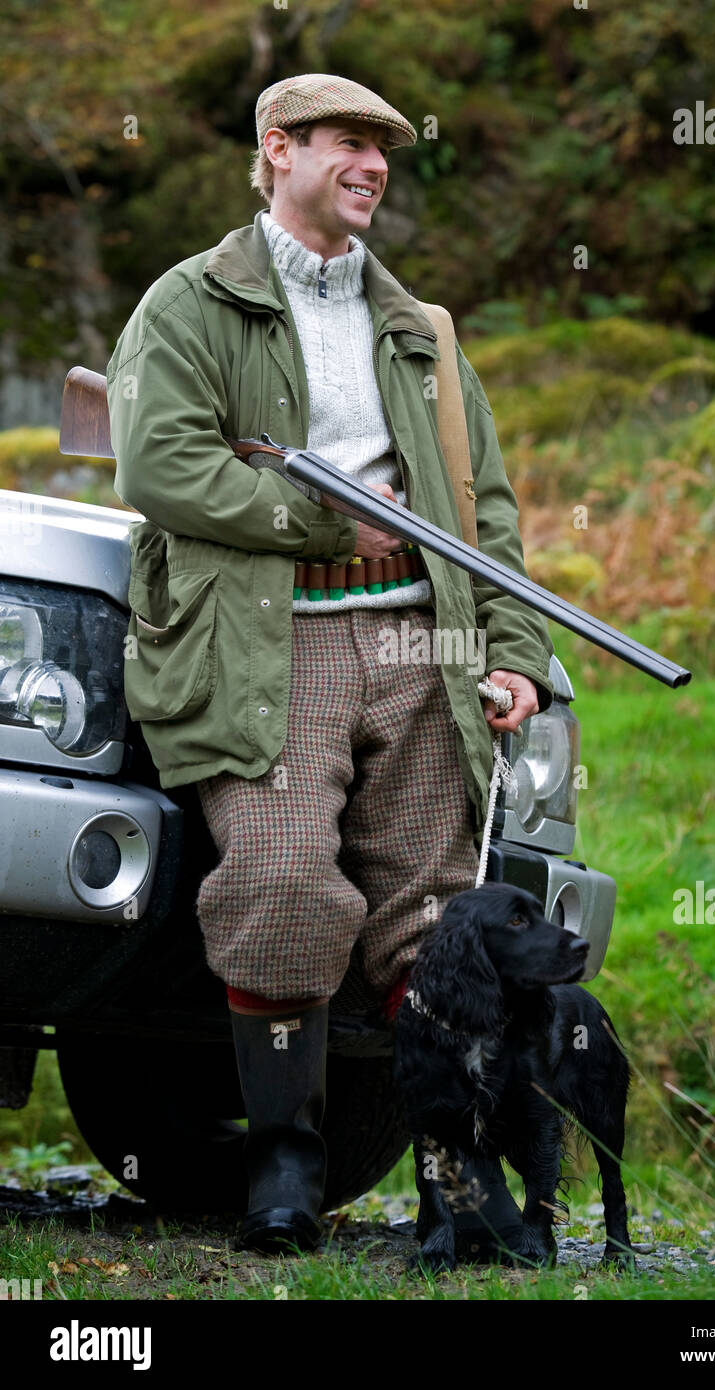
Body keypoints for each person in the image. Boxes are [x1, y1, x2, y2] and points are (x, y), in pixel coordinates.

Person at [107, 73, 555, 1255]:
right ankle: (284, 1168)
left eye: (384, 151)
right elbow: (158, 468)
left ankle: (457, 1185)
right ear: (277, 149)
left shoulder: (421, 331)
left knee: (438, 925)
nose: (372, 167)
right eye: (348, 143)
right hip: (269, 643)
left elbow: (481, 512)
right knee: (280, 884)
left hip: (424, 640)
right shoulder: (188, 304)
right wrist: (323, 525)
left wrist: (510, 652)